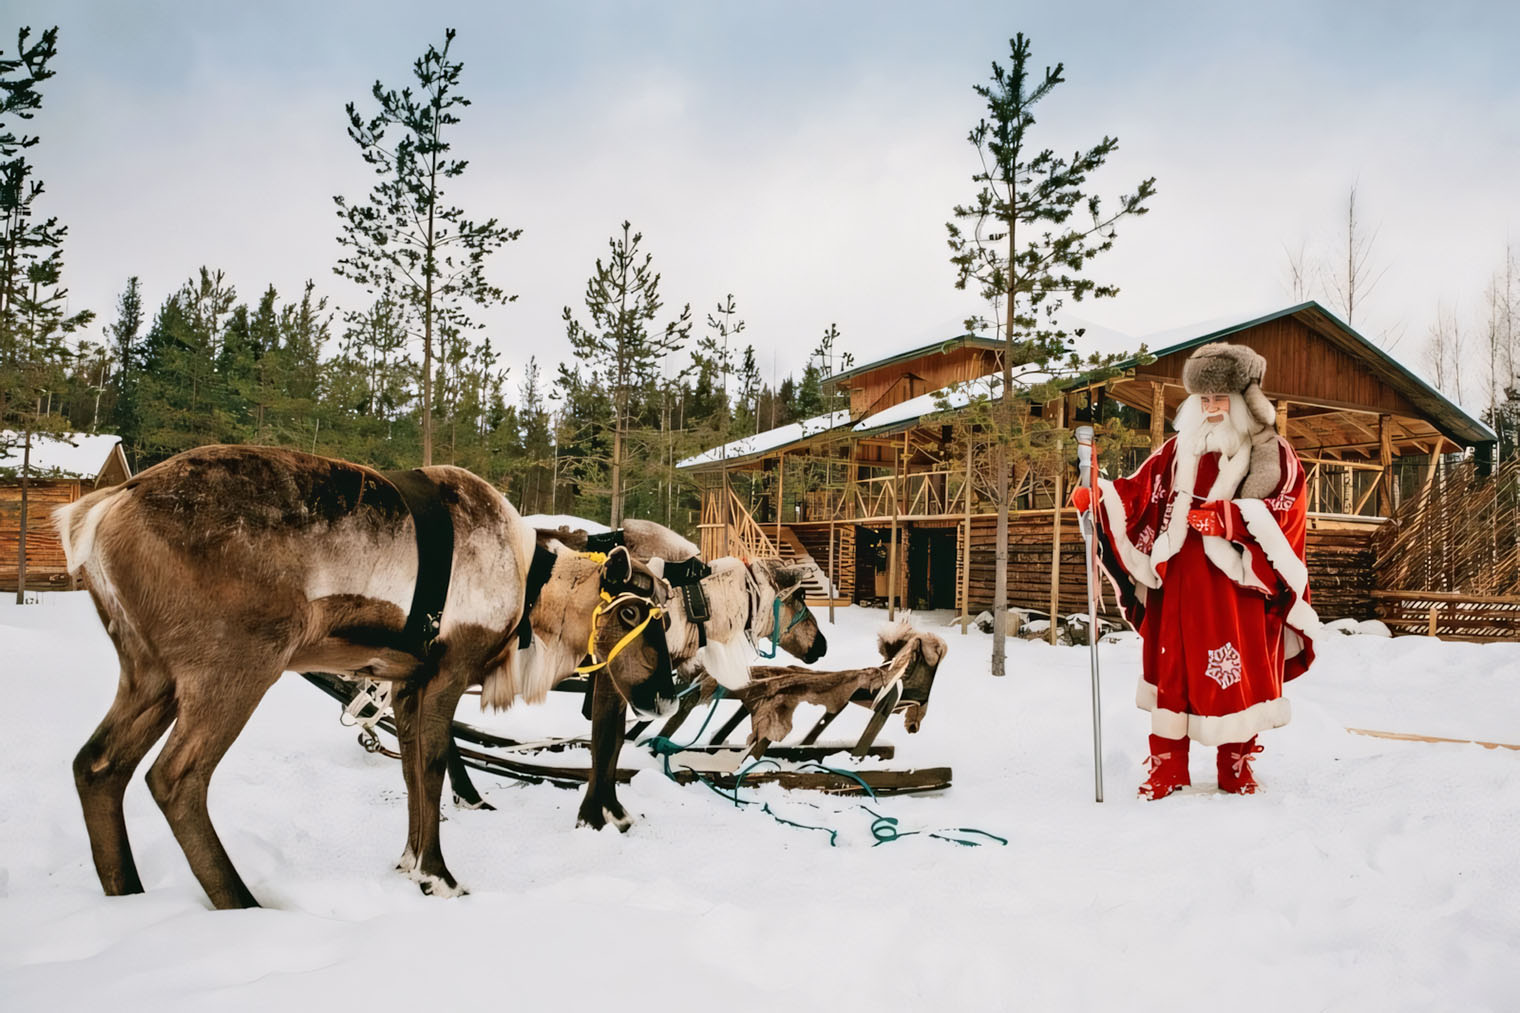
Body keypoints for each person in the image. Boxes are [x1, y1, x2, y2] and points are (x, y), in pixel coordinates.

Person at [1072, 342, 1321, 798]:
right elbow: (1138, 492)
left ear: (1243, 402)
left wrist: (1231, 520)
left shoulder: (1273, 454)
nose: (1210, 408)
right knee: (1174, 672)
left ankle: (1236, 765)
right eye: (1203, 400)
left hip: (1237, 591)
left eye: (1220, 399)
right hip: (1179, 587)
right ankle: (1168, 768)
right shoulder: (1176, 450)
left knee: (1236, 673)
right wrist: (1100, 496)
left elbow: (1286, 508)